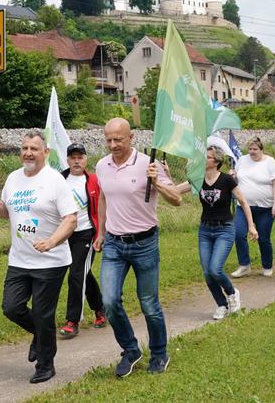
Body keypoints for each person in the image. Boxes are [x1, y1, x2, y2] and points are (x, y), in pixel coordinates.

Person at [0, 130, 77, 384]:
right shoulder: (13, 179)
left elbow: (70, 219)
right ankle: (40, 333)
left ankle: (46, 365)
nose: (28, 153)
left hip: (51, 261)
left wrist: (52, 241)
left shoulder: (55, 180)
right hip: (19, 259)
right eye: (24, 148)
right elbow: (7, 213)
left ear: (45, 152)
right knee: (11, 308)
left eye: (34, 149)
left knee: (43, 313)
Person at [93, 118, 181, 378]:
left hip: (145, 243)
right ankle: (131, 350)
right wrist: (101, 231)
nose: (113, 145)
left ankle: (159, 353)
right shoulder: (102, 165)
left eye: (118, 139)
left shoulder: (148, 164)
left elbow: (176, 199)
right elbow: (105, 199)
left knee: (149, 304)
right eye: (108, 139)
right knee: (109, 301)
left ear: (131, 137)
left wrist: (158, 183)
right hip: (114, 244)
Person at [176, 146, 258, 320]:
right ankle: (221, 304)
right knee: (207, 272)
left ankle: (232, 293)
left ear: (216, 162)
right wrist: (164, 175)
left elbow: (243, 202)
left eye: (207, 157)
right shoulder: (198, 179)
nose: (203, 159)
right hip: (205, 230)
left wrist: (251, 226)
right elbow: (174, 191)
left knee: (215, 269)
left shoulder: (227, 180)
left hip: (224, 229)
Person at [58, 143, 106, 338]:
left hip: (85, 234)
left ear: (86, 159)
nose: (76, 161)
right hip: (62, 235)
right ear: (67, 160)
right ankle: (101, 308)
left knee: (76, 275)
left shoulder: (94, 181)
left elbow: (104, 206)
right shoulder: (59, 179)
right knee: (84, 273)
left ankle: (73, 320)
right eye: (73, 157)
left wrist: (101, 233)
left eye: (80, 157)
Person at [231, 137, 275, 278]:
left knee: (263, 238)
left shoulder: (269, 162)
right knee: (238, 233)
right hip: (243, 206)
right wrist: (232, 176)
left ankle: (267, 265)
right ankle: (244, 265)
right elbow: (236, 179)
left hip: (265, 208)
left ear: (261, 149)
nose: (252, 152)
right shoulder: (242, 160)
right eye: (250, 149)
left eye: (255, 149)